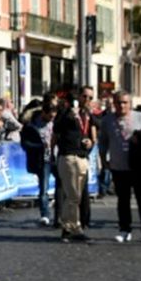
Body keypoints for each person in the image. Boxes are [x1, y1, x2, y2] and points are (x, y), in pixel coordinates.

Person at [98, 91, 141, 244]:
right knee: (123, 200)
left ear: (130, 104)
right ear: (113, 103)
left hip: (139, 166)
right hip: (118, 166)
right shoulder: (107, 121)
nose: (121, 106)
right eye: (118, 102)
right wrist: (103, 160)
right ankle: (125, 230)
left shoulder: (140, 117)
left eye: (125, 102)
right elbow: (103, 142)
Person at [51, 94, 94, 243]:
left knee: (77, 196)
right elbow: (56, 131)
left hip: (82, 156)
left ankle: (74, 227)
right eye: (85, 97)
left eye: (90, 98)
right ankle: (68, 228)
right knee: (72, 195)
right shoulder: (65, 114)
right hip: (68, 156)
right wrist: (68, 115)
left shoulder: (86, 115)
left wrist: (89, 142)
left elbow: (89, 133)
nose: (87, 100)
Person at [19, 100, 57, 227]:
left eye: (54, 115)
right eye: (49, 115)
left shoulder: (57, 123)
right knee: (44, 188)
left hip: (57, 158)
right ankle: (45, 214)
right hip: (43, 160)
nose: (51, 118)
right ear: (43, 113)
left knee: (63, 186)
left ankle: (60, 214)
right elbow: (25, 143)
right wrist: (40, 146)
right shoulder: (31, 125)